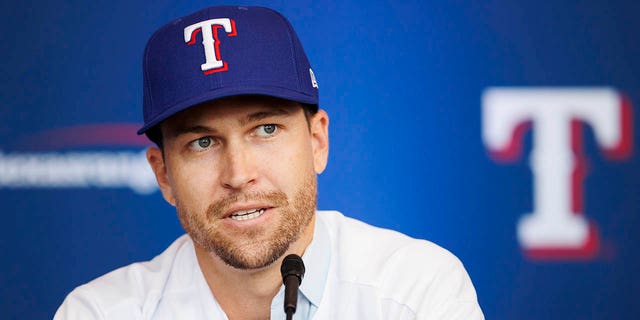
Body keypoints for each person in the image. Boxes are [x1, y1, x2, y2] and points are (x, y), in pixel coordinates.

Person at [55, 5, 484, 320]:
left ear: (317, 141)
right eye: (203, 142)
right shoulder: (99, 312)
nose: (239, 174)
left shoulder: (414, 291)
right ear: (163, 174)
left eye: (266, 130)